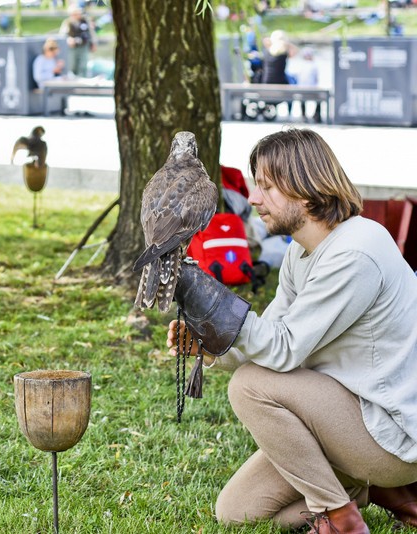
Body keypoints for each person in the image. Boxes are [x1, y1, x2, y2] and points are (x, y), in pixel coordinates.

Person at [167, 128, 417, 532]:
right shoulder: (302, 253)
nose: (252, 199)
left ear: (305, 189)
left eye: (266, 187)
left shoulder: (356, 251)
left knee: (250, 386)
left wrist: (220, 308)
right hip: (350, 419)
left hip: (393, 434)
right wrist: (209, 345)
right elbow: (268, 336)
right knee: (237, 510)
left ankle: (339, 516)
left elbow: (283, 350)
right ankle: (373, 491)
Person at [60, 4, 95, 78]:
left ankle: (82, 79)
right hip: (72, 48)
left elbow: (91, 33)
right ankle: (73, 79)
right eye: (74, 14)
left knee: (83, 64)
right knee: (72, 65)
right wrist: (69, 40)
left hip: (84, 46)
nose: (77, 16)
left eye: (78, 14)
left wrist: (93, 43)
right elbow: (62, 36)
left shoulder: (85, 21)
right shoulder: (67, 23)